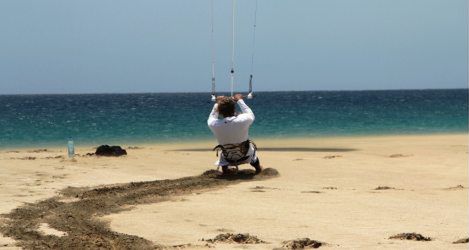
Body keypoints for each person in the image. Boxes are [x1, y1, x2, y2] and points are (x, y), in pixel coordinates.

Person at [207, 94, 262, 174]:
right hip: (245, 155)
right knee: (251, 148)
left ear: (220, 110)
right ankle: (258, 168)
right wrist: (239, 100)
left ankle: (225, 170)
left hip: (228, 158)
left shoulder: (214, 124)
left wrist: (217, 103)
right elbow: (250, 114)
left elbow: (212, 117)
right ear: (234, 108)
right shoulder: (242, 120)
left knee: (224, 149)